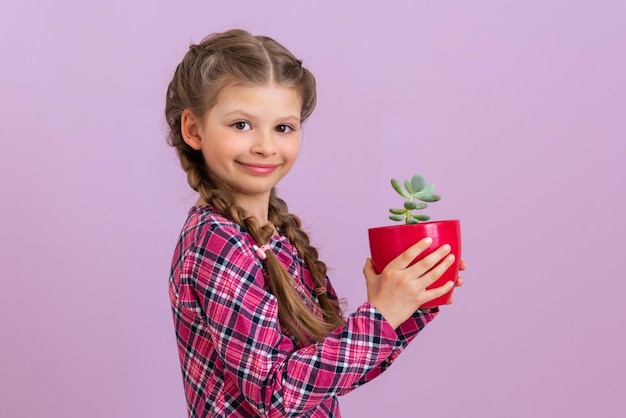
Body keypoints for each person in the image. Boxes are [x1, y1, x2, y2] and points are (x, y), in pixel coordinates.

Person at [165, 29, 465, 418]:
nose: (266, 146)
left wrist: (408, 305)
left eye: (283, 127)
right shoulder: (218, 245)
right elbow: (276, 397)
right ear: (194, 129)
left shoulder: (274, 236)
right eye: (241, 125)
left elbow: (328, 378)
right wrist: (383, 316)